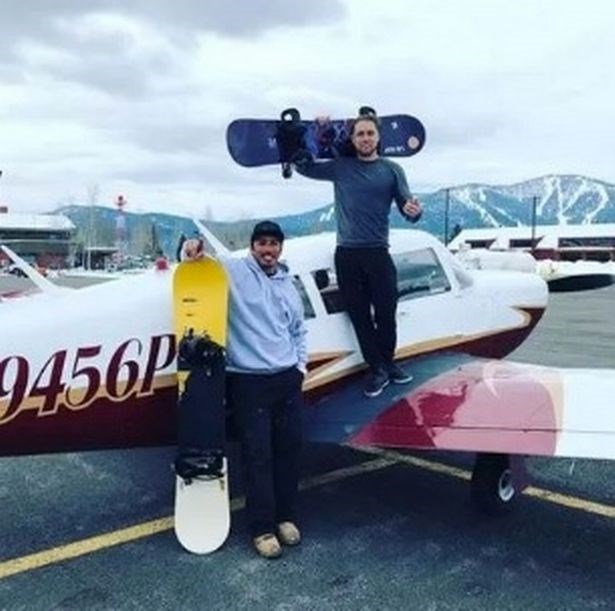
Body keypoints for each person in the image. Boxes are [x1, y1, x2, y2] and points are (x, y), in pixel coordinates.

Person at [183, 220, 307, 560]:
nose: (268, 250)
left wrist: (300, 367)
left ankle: (286, 517)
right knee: (257, 456)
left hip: (286, 379)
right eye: (262, 243)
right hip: (248, 382)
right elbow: (201, 258)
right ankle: (262, 529)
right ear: (252, 247)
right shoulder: (236, 271)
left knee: (288, 451)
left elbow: (298, 330)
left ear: (280, 248)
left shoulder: (287, 283)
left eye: (273, 244)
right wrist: (192, 248)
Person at [294, 113, 423, 398]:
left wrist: (414, 211)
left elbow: (407, 206)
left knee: (387, 313)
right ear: (353, 139)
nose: (365, 138)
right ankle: (377, 369)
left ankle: (388, 363)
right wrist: (313, 133)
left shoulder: (392, 170)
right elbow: (306, 168)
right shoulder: (341, 167)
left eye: (370, 133)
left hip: (378, 253)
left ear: (378, 137)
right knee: (360, 316)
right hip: (347, 255)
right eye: (360, 134)